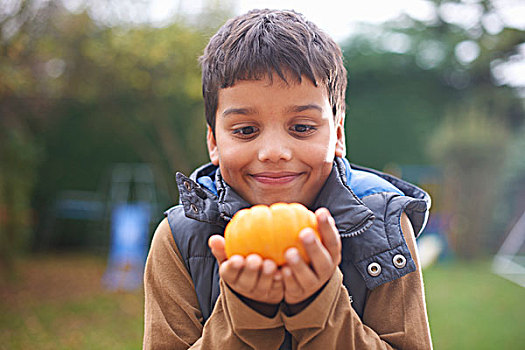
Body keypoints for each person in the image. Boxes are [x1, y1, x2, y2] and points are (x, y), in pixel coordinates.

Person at [143, 8, 433, 350]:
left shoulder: (382, 228)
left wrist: (319, 306)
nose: (274, 152)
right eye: (246, 130)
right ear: (214, 142)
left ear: (337, 136)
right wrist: (247, 313)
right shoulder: (181, 238)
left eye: (302, 128)